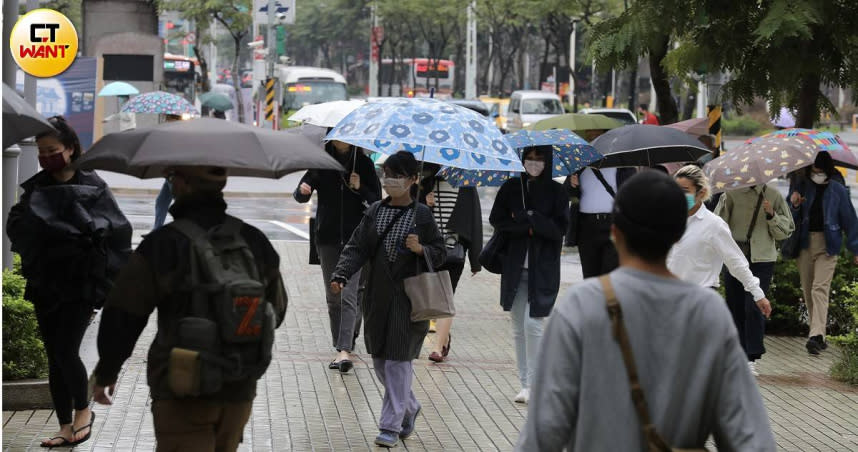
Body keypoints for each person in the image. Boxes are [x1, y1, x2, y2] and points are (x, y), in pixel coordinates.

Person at [517, 171, 776, 451]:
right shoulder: (707, 313)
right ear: (677, 233)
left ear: (615, 233)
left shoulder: (582, 305)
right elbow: (750, 437)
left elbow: (544, 431)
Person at [90, 165, 288, 451]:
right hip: (239, 383)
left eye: (171, 178)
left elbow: (124, 313)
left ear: (181, 184)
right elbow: (276, 311)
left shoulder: (163, 244)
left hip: (181, 384)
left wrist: (108, 370)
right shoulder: (254, 239)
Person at [7, 116, 132, 448]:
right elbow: (17, 228)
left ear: (71, 148)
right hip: (45, 282)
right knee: (54, 354)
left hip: (81, 285)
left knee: (66, 349)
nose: (46, 156)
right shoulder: (35, 188)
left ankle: (83, 412)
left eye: (53, 150)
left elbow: (118, 234)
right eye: (41, 151)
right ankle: (64, 425)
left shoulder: (93, 186)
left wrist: (96, 262)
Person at [330, 151, 445, 448]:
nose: (390, 180)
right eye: (387, 174)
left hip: (408, 301)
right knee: (381, 360)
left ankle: (390, 426)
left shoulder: (422, 215)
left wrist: (422, 250)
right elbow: (357, 247)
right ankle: (408, 406)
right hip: (378, 297)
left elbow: (442, 251)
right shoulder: (375, 211)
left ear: (412, 180)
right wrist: (341, 274)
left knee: (398, 361)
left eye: (397, 175)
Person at [669, 165, 773, 375]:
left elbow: (736, 262)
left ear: (700, 192)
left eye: (685, 190)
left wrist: (757, 293)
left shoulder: (713, 225)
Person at [489, 147, 568, 404]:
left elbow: (560, 230)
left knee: (533, 324)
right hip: (514, 267)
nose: (533, 163)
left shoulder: (557, 191)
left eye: (539, 158)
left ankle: (536, 382)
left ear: (548, 161)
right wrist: (525, 224)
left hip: (543, 268)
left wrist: (533, 219)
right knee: (517, 328)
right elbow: (497, 220)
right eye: (529, 158)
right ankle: (525, 383)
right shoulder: (512, 188)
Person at [294, 139, 381, 372]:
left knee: (349, 294)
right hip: (328, 237)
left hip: (358, 238)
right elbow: (300, 193)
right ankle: (343, 342)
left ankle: (344, 350)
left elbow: (376, 202)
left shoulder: (363, 164)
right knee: (334, 295)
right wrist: (303, 191)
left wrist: (360, 187)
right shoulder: (321, 163)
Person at [715, 180, 794, 367]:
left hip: (762, 259)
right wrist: (724, 202)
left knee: (754, 305)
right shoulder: (731, 194)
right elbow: (717, 224)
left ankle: (752, 355)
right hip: (735, 257)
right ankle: (738, 353)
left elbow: (786, 230)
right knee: (735, 306)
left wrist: (771, 214)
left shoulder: (773, 195)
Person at [788, 152, 858, 354]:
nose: (816, 174)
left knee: (820, 288)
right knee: (808, 290)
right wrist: (794, 205)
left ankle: (815, 335)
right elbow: (788, 214)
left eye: (820, 171)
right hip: (803, 243)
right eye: (813, 170)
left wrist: (855, 248)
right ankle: (818, 334)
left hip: (828, 245)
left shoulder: (837, 189)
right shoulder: (800, 184)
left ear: (828, 170)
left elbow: (850, 220)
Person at [419, 163, 483, 362]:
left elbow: (475, 222)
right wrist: (423, 201)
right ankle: (444, 338)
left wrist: (475, 260)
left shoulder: (466, 185)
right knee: (430, 301)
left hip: (454, 252)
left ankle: (437, 348)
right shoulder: (426, 183)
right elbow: (411, 212)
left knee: (446, 298)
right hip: (428, 251)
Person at [567, 164, 636, 276]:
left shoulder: (624, 166)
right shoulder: (579, 165)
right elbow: (570, 195)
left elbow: (633, 195)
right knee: (590, 275)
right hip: (586, 226)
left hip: (614, 225)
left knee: (610, 274)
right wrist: (572, 184)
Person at [152, 114, 184, 230]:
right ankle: (157, 229)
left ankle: (186, 228)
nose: (165, 121)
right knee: (161, 202)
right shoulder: (169, 133)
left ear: (173, 119)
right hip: (170, 174)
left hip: (174, 173)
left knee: (180, 203)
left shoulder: (177, 134)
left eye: (167, 119)